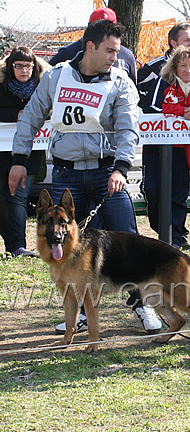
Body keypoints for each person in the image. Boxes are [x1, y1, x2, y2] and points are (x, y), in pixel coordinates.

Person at [9, 19, 162, 333]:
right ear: (89, 47)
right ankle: (75, 314)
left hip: (108, 173)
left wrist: (121, 168)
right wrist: (19, 159)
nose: (114, 58)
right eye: (109, 50)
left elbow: (128, 127)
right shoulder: (56, 76)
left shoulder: (120, 82)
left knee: (127, 242)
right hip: (66, 173)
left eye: (117, 52)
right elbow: (31, 118)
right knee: (65, 248)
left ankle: (142, 305)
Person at [147, 46, 190, 248]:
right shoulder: (163, 83)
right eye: (183, 65)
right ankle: (161, 232)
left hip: (185, 149)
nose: (188, 70)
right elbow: (155, 106)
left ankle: (175, 238)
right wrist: (183, 111)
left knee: (178, 194)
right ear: (174, 66)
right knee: (153, 191)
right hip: (158, 148)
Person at [0, 47, 49, 257]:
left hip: (30, 154)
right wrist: (15, 114)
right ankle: (12, 245)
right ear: (11, 68)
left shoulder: (42, 87)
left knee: (18, 196)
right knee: (4, 198)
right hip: (2, 153)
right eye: (18, 66)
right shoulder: (2, 87)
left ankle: (18, 245)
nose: (24, 70)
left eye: (28, 66)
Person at [49, 7, 137, 84]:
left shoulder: (127, 55)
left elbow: (133, 90)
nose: (114, 58)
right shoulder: (68, 53)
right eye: (99, 29)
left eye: (109, 29)